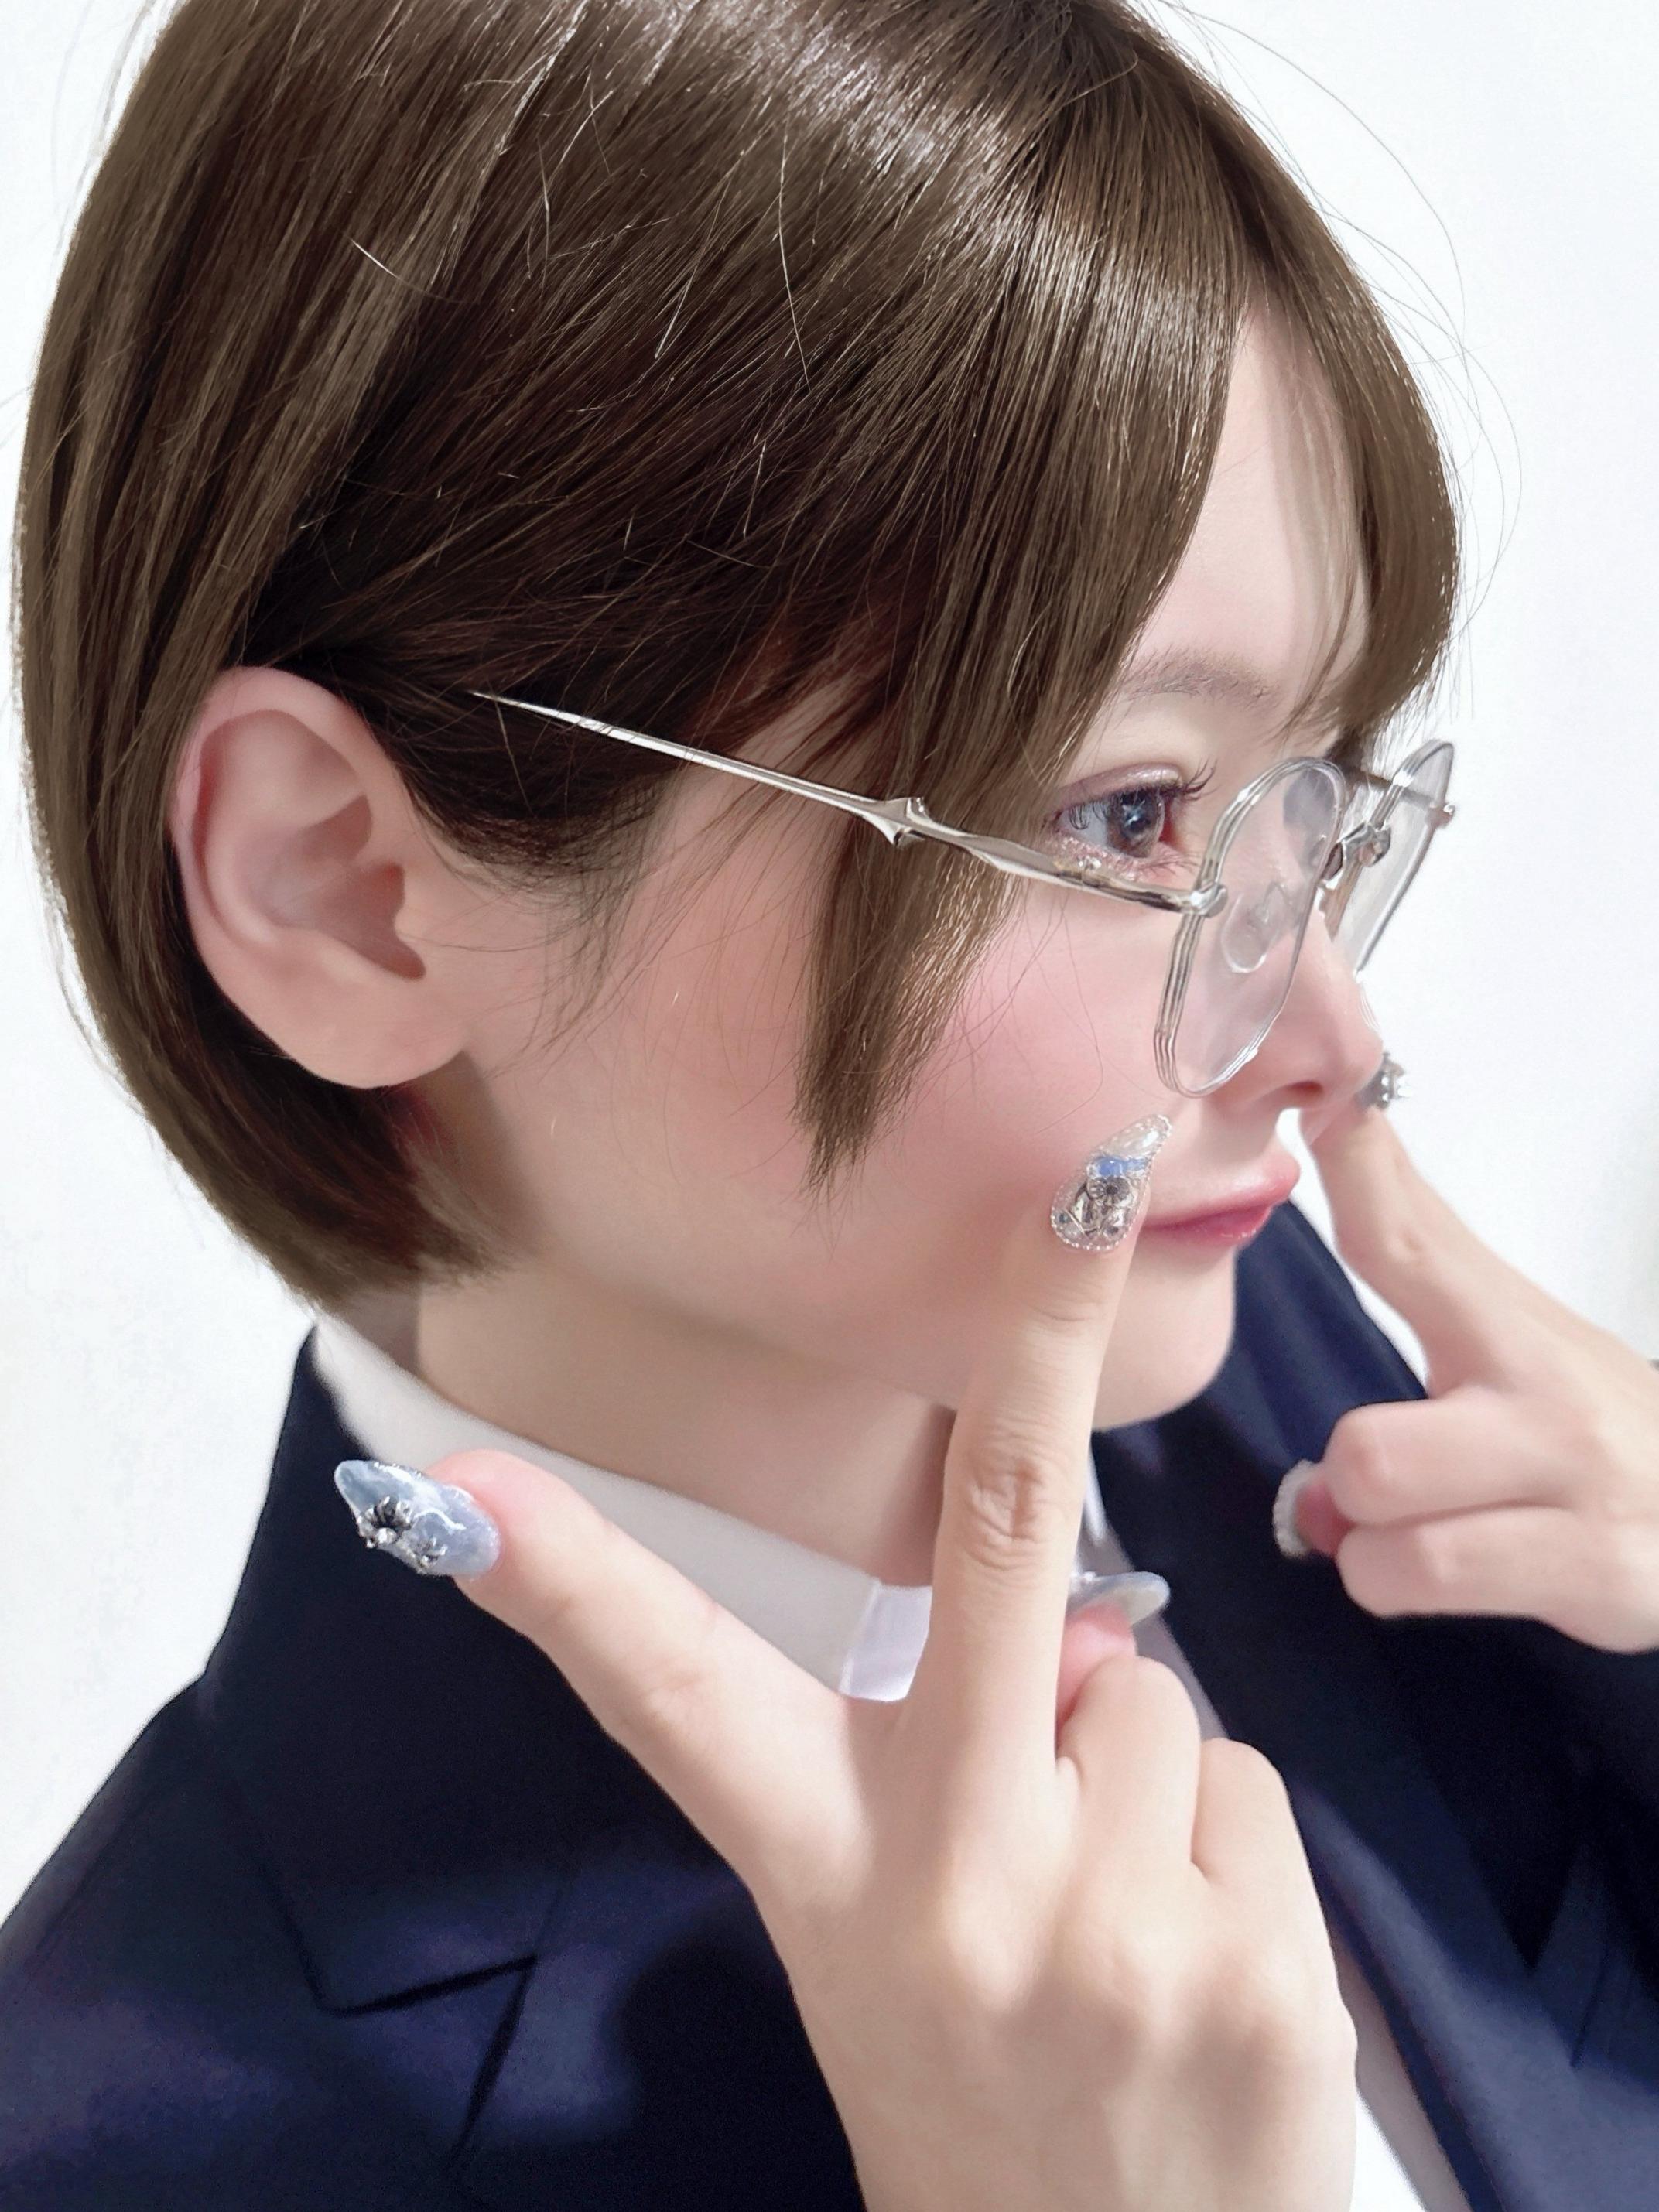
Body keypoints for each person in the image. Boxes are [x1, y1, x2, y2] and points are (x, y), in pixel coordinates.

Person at [2, 1, 1657, 2206]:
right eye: (1132, 813)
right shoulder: (148, 2140)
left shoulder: (1249, 1362)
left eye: (1317, 793)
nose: (1328, 1038)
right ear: (348, 892)